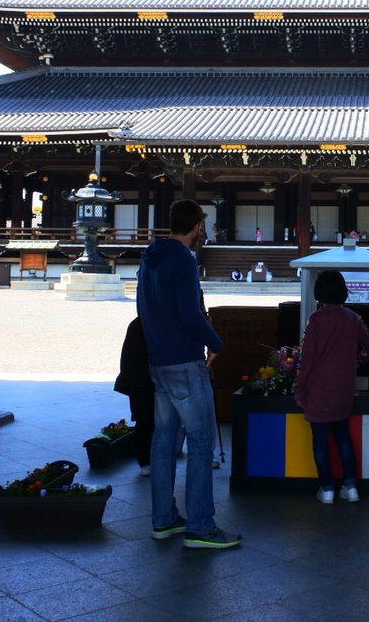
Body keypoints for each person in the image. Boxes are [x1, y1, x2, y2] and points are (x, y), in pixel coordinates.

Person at [137, 198, 241, 549]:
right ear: (196, 226)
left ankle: (163, 519)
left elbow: (144, 308)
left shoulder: (150, 257)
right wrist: (216, 342)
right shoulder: (183, 259)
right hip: (184, 360)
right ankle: (200, 526)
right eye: (203, 227)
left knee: (164, 441)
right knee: (200, 441)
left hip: (159, 362)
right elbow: (189, 312)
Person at [294, 270, 369, 504]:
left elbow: (306, 359)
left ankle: (328, 489)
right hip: (343, 390)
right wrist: (358, 358)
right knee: (343, 436)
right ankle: (351, 488)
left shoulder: (316, 320)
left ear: (319, 292)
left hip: (318, 391)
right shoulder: (352, 317)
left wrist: (299, 389)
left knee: (320, 440)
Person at [114, 316, 155, 476]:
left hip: (146, 381)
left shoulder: (141, 323)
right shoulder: (141, 324)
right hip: (141, 381)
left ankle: (148, 459)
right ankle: (145, 460)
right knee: (145, 420)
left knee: (148, 420)